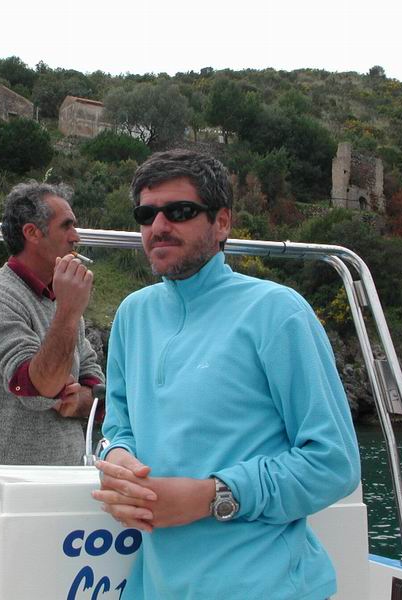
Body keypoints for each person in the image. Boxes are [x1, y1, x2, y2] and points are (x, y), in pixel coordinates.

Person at [92, 150, 361, 599]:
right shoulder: (132, 316)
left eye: (180, 212)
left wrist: (212, 496)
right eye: (146, 214)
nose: (159, 226)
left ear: (221, 223)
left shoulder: (276, 313)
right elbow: (120, 425)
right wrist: (118, 454)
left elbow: (334, 463)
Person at [0, 181, 104, 471]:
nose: (76, 237)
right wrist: (68, 311)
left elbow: (96, 384)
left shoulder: (60, 300)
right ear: (32, 233)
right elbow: (38, 389)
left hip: (63, 478)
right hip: (3, 484)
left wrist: (79, 401)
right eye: (67, 226)